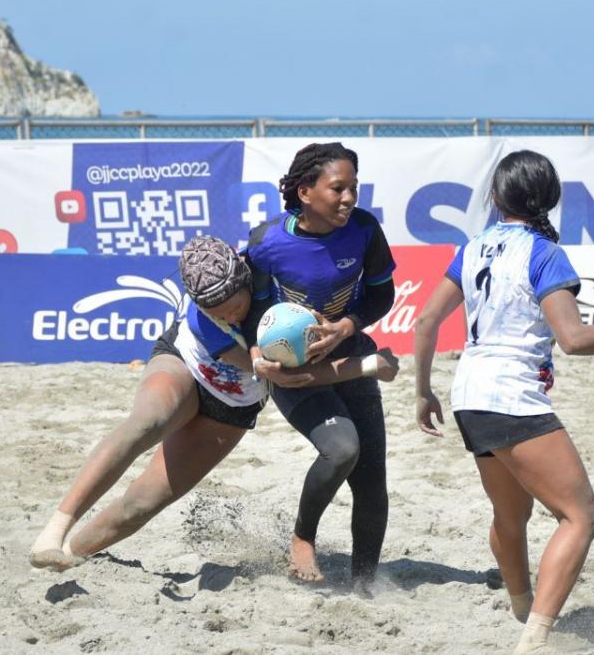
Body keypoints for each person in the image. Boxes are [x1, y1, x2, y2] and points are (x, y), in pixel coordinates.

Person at [413, 150, 594, 654]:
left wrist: (422, 390)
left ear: (496, 197)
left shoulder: (473, 246)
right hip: (510, 395)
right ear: (550, 199)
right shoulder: (545, 254)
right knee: (581, 516)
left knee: (510, 515)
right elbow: (575, 339)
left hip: (468, 393)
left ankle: (522, 607)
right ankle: (536, 638)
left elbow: (425, 322)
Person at [29, 236, 398, 571]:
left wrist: (365, 364)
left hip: (233, 407)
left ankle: (70, 556)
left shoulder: (276, 304)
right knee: (147, 422)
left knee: (142, 503)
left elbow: (303, 375)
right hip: (186, 364)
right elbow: (274, 373)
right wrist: (368, 366)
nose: (226, 315)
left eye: (232, 306)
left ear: (245, 285)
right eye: (215, 310)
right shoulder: (203, 320)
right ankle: (54, 530)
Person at [243, 142, 396, 591]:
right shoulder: (266, 242)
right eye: (338, 188)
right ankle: (302, 538)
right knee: (342, 448)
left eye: (354, 187)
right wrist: (258, 356)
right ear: (305, 191)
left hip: (348, 353)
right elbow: (247, 310)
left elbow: (381, 295)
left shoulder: (365, 230)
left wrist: (346, 325)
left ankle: (364, 585)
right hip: (291, 369)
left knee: (371, 480)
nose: (349, 198)